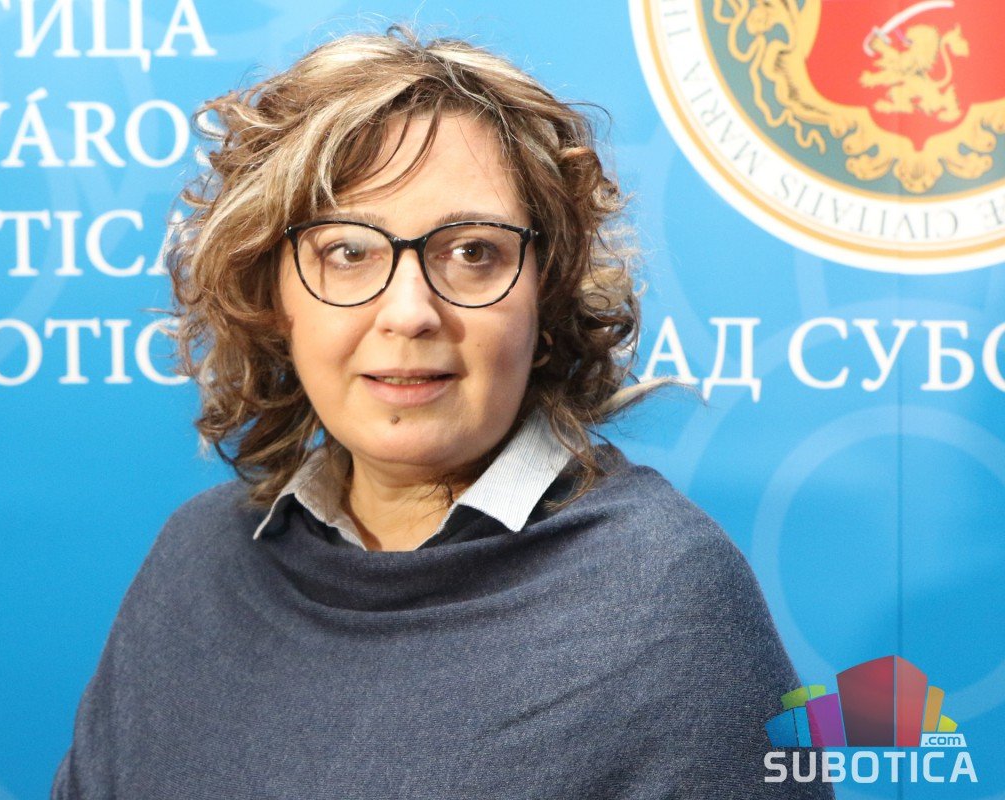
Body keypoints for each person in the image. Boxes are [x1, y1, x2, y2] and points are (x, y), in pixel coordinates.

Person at [51, 26, 833, 799]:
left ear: (547, 295)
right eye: (348, 251)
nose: (409, 313)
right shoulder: (196, 562)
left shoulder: (665, 599)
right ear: (273, 297)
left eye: (472, 252)